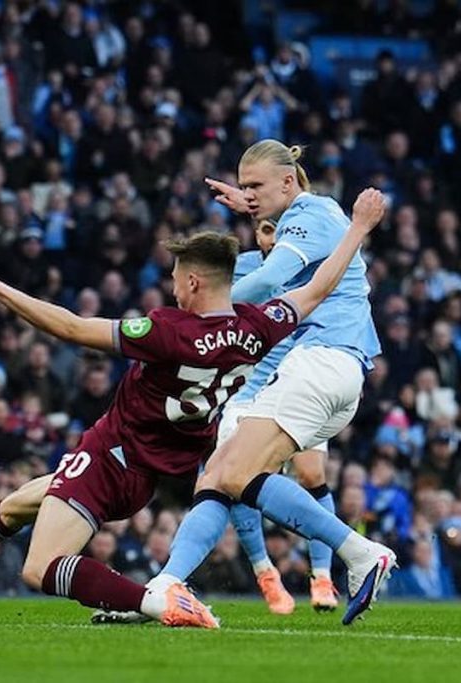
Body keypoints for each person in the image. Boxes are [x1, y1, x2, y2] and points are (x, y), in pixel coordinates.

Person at [0, 200, 383, 628]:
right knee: (22, 503)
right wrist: (357, 230)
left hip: (112, 456)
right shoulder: (258, 326)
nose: (171, 288)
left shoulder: (166, 331)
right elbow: (318, 288)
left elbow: (70, 327)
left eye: (174, 278)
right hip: (149, 474)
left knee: (39, 568)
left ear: (192, 280)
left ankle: (156, 600)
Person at [147, 140, 394, 627]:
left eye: (256, 185)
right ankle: (166, 585)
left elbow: (267, 280)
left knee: (234, 474)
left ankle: (360, 553)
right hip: (327, 370)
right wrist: (254, 206)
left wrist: (202, 320)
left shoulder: (312, 212)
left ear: (288, 182)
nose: (249, 195)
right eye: (244, 188)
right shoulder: (300, 217)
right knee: (220, 475)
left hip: (320, 363)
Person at [220, 219, 338, 614]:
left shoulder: (310, 264)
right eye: (265, 229)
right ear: (256, 232)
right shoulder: (243, 267)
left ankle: (322, 576)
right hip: (249, 386)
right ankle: (264, 572)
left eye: (278, 230)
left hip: (300, 378)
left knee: (311, 474)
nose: (270, 237)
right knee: (237, 477)